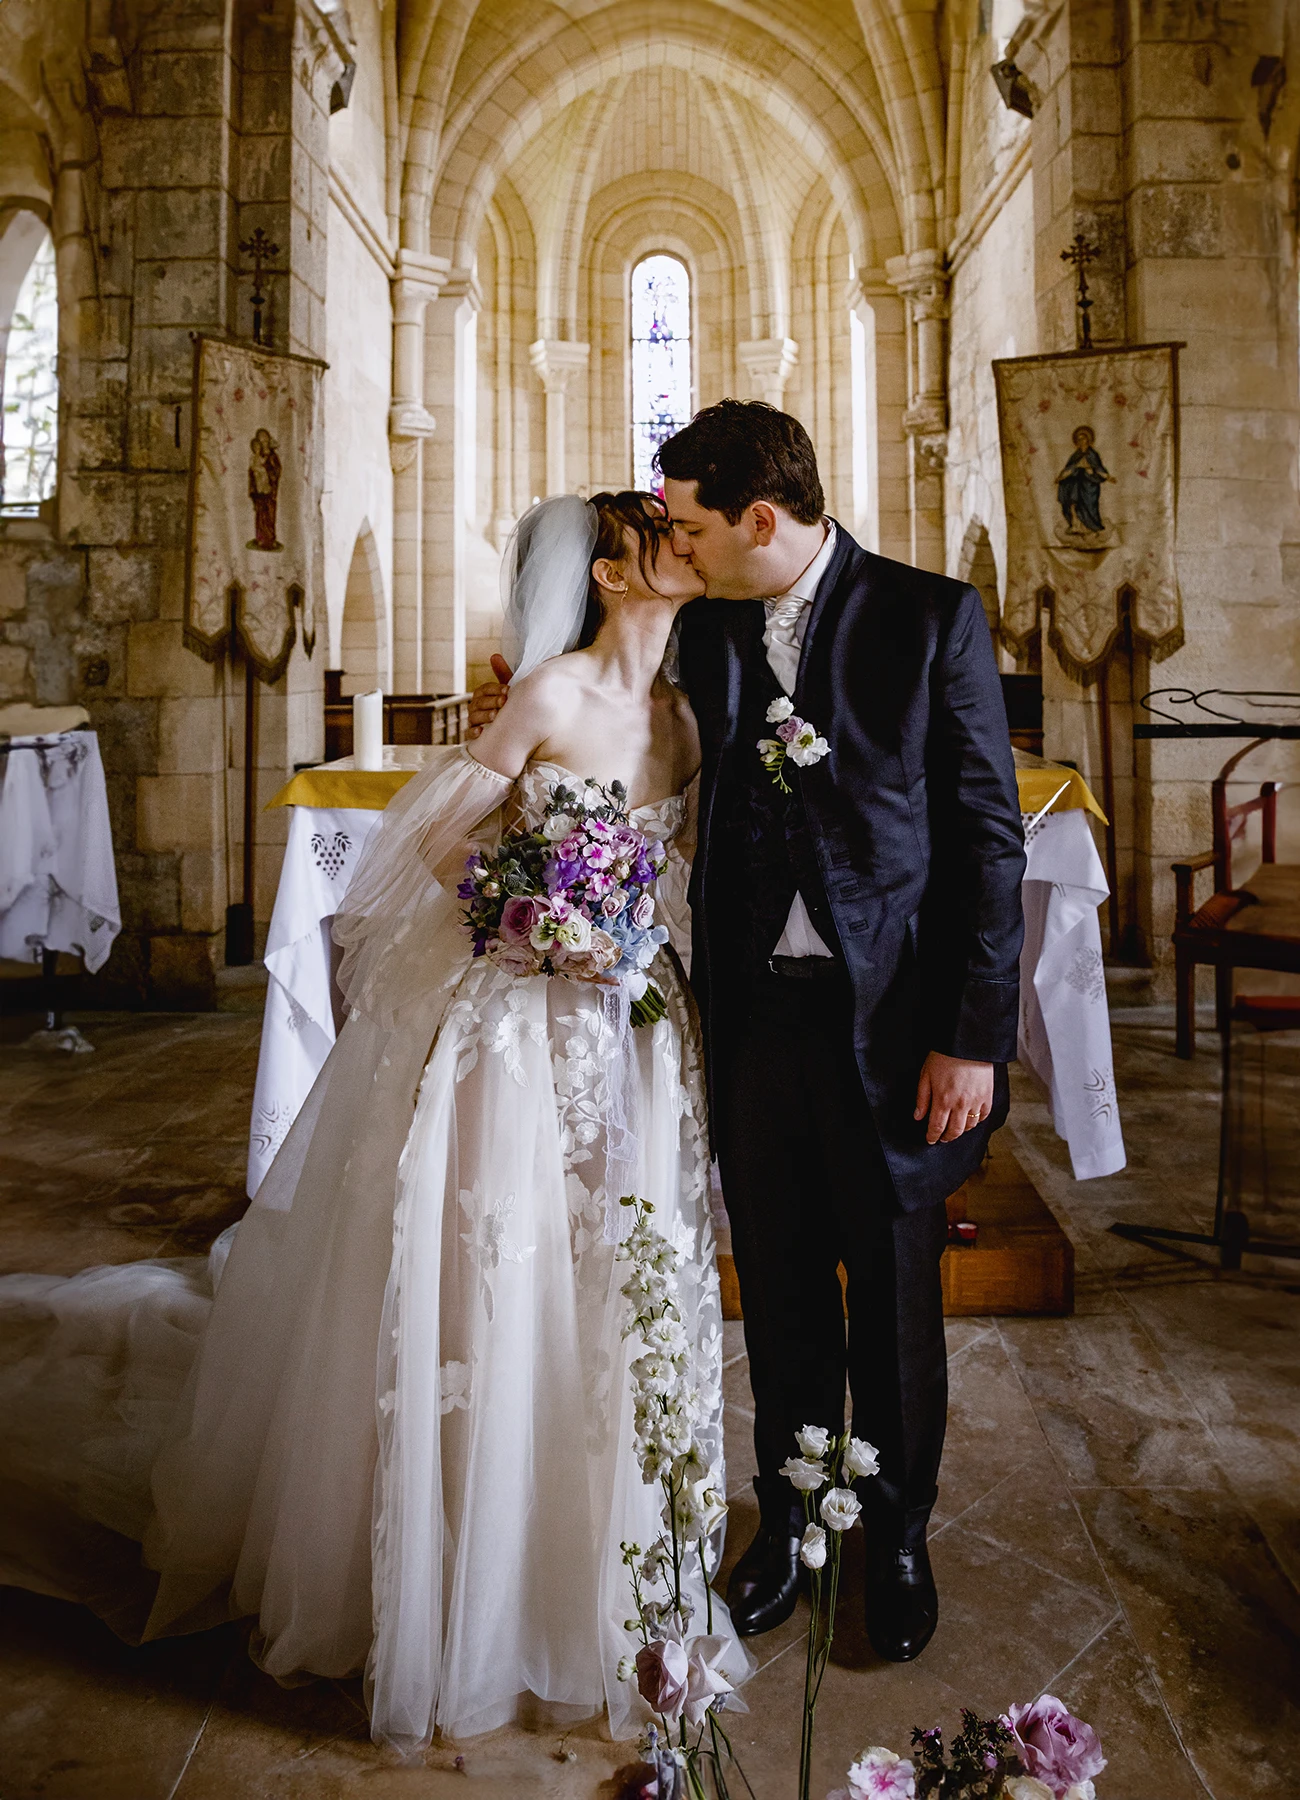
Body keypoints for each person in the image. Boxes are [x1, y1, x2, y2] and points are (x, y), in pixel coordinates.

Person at [0, 491, 746, 1755]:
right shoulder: (553, 695)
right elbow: (437, 837)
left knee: (614, 1282)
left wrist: (629, 947)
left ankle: (598, 1568)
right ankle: (466, 1581)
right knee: (495, 1284)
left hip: (631, 1033)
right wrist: (535, 922)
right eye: (662, 540)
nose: (689, 550)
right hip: (519, 1023)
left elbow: (673, 870)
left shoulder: (684, 713)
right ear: (614, 575)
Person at [469, 401, 1026, 1664]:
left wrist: (972, 1036)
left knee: (891, 1293)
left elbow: (988, 840)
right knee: (772, 1285)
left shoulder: (929, 617)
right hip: (753, 1016)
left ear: (758, 520)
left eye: (691, 522)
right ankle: (784, 1524)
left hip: (890, 1026)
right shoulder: (705, 626)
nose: (678, 540)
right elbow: (601, 705)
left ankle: (893, 1533)